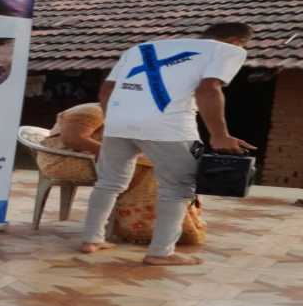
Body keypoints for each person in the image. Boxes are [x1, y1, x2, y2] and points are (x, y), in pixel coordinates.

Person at [81, 22, 255, 266]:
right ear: (237, 41)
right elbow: (208, 89)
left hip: (118, 124)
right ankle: (161, 253)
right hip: (170, 127)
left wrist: (116, 121)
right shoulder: (227, 50)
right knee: (177, 188)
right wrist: (219, 135)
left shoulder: (140, 48)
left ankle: (91, 239)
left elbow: (106, 90)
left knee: (108, 183)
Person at [37, 103, 205, 245]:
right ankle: (141, 227)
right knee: (152, 170)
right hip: (66, 160)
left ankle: (163, 226)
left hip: (93, 158)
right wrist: (118, 155)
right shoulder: (92, 111)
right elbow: (72, 139)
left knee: (164, 165)